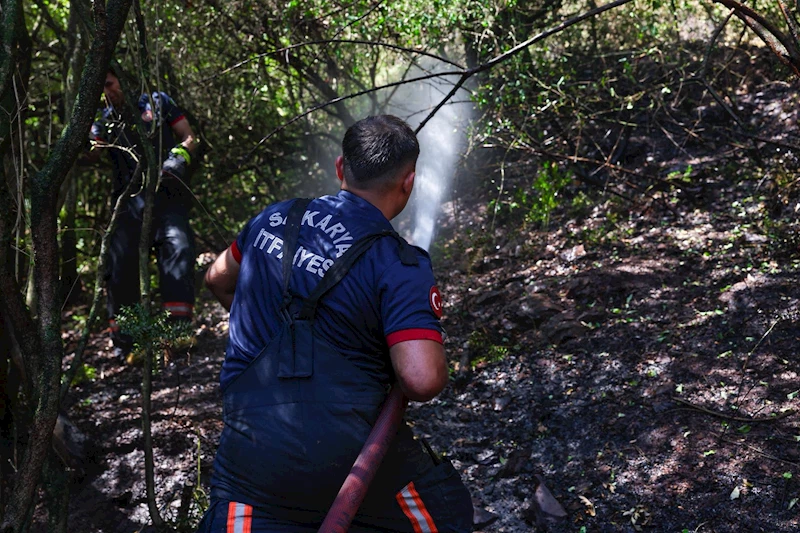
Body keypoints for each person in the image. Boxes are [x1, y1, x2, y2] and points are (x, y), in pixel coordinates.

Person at [201, 115, 473, 532]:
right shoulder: (399, 263)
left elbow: (218, 278)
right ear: (409, 182)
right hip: (350, 462)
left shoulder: (271, 220)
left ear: (340, 167)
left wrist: (260, 328)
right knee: (445, 515)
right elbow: (421, 379)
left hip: (250, 457)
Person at [86, 70, 199, 360]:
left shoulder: (157, 102)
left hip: (167, 196)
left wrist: (178, 160)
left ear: (123, 79)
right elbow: (93, 150)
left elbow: (188, 137)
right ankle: (130, 342)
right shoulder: (103, 117)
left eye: (109, 84)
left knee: (180, 249)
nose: (106, 91)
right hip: (128, 201)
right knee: (120, 265)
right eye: (101, 87)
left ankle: (178, 334)